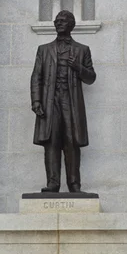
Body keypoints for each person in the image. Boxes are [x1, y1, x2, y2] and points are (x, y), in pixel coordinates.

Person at [31, 10, 96, 193]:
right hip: (50, 101)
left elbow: (91, 77)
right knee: (51, 141)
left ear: (71, 24)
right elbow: (36, 76)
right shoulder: (43, 50)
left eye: (63, 21)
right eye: (56, 21)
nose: (58, 23)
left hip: (71, 101)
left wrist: (78, 67)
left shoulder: (82, 50)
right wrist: (36, 101)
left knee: (71, 141)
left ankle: (74, 185)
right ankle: (53, 183)